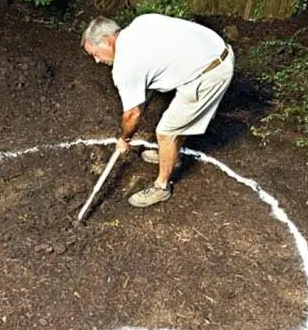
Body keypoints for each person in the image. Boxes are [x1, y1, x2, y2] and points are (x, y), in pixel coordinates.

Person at [81, 14, 234, 208]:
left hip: (210, 73)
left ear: (106, 40)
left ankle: (162, 187)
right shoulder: (140, 22)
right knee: (177, 119)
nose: (96, 60)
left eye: (95, 53)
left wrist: (125, 139)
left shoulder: (125, 65)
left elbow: (132, 114)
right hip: (217, 51)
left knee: (166, 131)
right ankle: (170, 155)